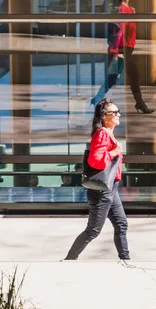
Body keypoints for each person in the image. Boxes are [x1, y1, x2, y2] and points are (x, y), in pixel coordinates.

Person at [64, 99, 132, 263]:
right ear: (104, 116)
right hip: (102, 191)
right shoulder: (102, 134)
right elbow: (95, 161)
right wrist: (114, 152)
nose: (118, 115)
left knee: (121, 224)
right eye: (114, 113)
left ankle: (126, 259)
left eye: (118, 112)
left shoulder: (108, 133)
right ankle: (69, 259)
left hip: (111, 188)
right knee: (93, 230)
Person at [92, 0, 153, 114]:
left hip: (128, 49)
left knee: (125, 77)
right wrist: (117, 51)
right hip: (121, 49)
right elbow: (117, 30)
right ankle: (97, 100)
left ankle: (139, 103)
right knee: (121, 77)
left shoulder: (129, 9)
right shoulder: (121, 9)